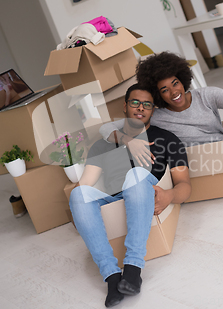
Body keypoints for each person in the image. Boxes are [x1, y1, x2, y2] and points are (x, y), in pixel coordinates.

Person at [69, 83, 191, 307]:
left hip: (145, 191)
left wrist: (170, 195)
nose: (141, 108)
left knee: (136, 175)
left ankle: (133, 269)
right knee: (78, 195)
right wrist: (77, 211)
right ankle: (112, 277)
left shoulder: (167, 139)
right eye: (135, 102)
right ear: (125, 106)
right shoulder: (104, 144)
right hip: (115, 198)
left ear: (152, 110)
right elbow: (85, 183)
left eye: (147, 104)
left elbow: (184, 184)